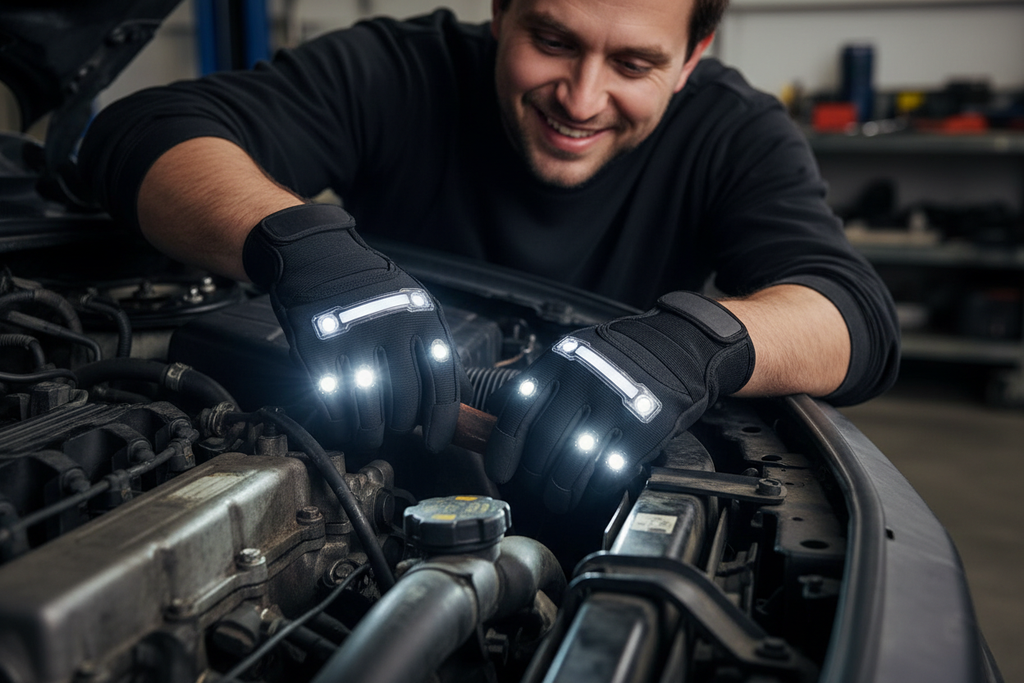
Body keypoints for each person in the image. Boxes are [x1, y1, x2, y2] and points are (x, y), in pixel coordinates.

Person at [79, 0, 900, 513]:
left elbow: (852, 311)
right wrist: (303, 244)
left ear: (691, 58)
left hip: (581, 481)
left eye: (634, 63)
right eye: (553, 39)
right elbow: (143, 131)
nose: (581, 98)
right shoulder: (398, 70)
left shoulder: (735, 131)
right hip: (362, 449)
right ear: (502, 12)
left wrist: (700, 342)